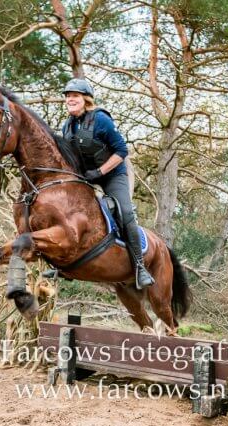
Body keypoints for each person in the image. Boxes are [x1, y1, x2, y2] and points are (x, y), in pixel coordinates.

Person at [61, 78, 154, 289]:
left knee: (125, 213)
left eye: (74, 96)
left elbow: (122, 151)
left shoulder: (101, 120)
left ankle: (140, 266)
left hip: (113, 175)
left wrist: (100, 172)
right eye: (67, 96)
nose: (70, 100)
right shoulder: (68, 125)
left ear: (85, 99)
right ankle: (63, 262)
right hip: (86, 176)